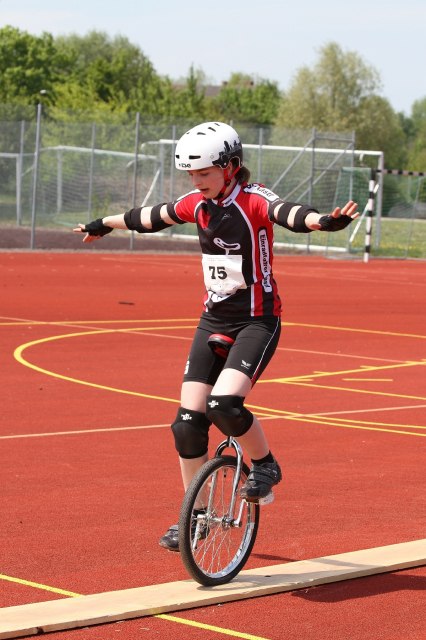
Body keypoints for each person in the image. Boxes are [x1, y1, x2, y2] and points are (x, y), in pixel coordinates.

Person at [74, 121, 358, 552]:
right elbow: (151, 217)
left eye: (204, 173)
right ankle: (198, 516)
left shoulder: (253, 199)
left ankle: (265, 464)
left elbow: (289, 213)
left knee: (224, 405)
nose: (196, 181)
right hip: (213, 322)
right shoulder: (198, 204)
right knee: (187, 426)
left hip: (256, 322)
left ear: (231, 166)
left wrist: (324, 222)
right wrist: (104, 223)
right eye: (191, 174)